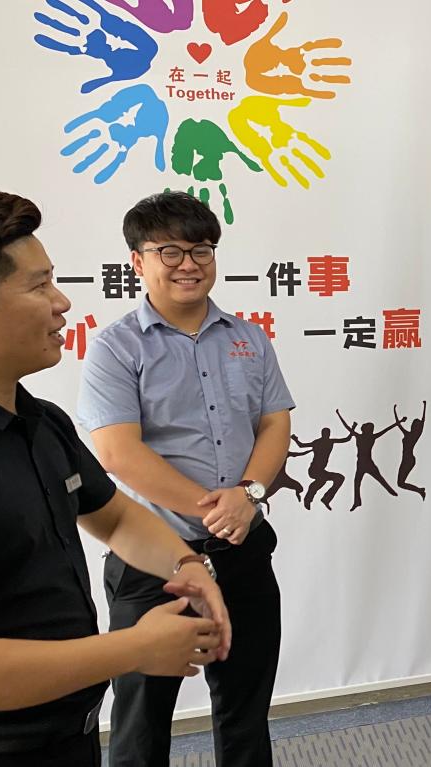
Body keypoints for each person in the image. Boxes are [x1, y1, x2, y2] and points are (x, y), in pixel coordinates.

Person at [0, 190, 230, 767]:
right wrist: (136, 648)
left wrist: (187, 566)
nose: (62, 303)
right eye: (39, 286)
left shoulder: (38, 420)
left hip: (68, 735)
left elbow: (115, 517)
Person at [77, 191, 294, 767]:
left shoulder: (249, 337)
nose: (188, 264)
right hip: (155, 560)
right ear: (137, 261)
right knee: (141, 720)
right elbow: (118, 453)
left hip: (243, 549)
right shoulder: (116, 348)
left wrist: (248, 496)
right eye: (169, 251)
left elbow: (275, 423)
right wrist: (216, 508)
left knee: (246, 708)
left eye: (201, 250)